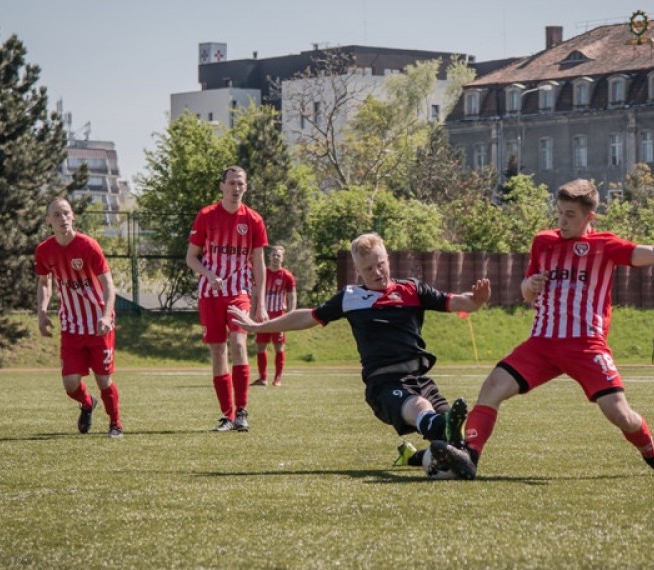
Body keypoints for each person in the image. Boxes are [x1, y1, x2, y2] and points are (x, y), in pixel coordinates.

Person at [457, 179, 654, 480]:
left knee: (620, 413)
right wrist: (529, 285)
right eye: (560, 212)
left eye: (571, 214)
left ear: (589, 217)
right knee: (491, 387)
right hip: (542, 343)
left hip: (586, 345)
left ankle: (653, 454)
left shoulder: (605, 246)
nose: (563, 220)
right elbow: (526, 292)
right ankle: (469, 459)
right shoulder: (543, 241)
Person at [230, 233, 489, 473]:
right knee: (424, 410)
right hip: (384, 384)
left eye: (380, 264)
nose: (377, 272)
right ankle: (439, 433)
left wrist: (475, 300)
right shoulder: (350, 298)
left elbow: (457, 301)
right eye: (368, 269)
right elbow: (306, 317)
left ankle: (418, 456)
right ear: (358, 271)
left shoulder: (413, 290)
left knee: (456, 441)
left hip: (420, 379)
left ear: (388, 260)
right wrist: (260, 326)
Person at [186, 165, 268, 432]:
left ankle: (242, 412)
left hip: (239, 291)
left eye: (240, 184)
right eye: (231, 183)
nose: (236, 188)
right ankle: (227, 415)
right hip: (210, 294)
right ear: (221, 186)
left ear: (246, 187)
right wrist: (208, 274)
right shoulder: (206, 215)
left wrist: (261, 304)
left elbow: (258, 263)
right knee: (219, 351)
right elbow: (191, 257)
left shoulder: (253, 219)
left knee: (239, 343)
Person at [35, 197, 123, 439]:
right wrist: (42, 313)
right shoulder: (44, 250)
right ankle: (87, 403)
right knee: (70, 384)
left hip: (98, 324)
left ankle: (115, 424)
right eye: (56, 215)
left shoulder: (88, 246)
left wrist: (106, 316)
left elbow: (108, 285)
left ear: (72, 216)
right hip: (72, 326)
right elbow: (45, 284)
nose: (63, 219)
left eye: (66, 213)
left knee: (104, 379)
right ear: (48, 221)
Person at [251, 245, 296, 387]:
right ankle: (262, 378)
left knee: (278, 347)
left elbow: (292, 296)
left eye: (278, 255)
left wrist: (291, 313)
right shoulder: (262, 273)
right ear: (269, 257)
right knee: (260, 347)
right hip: (263, 316)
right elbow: (255, 295)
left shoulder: (287, 276)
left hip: (279, 316)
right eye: (274, 255)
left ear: (282, 258)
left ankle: (278, 378)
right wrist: (252, 312)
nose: (276, 257)